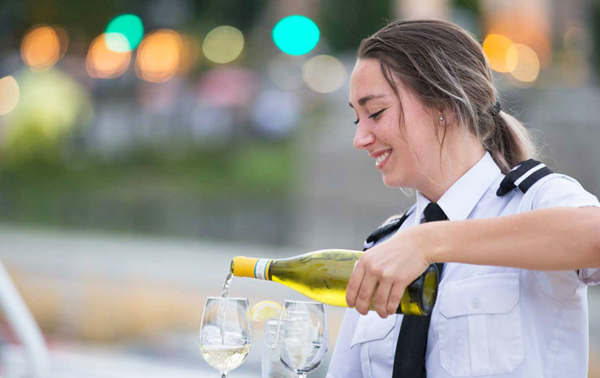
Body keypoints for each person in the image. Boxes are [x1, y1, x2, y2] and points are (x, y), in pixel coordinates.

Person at [327, 19, 600, 378]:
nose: (360, 138)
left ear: (445, 104)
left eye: (376, 113)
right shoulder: (386, 249)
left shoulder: (535, 200)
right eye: (356, 120)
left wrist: (428, 243)